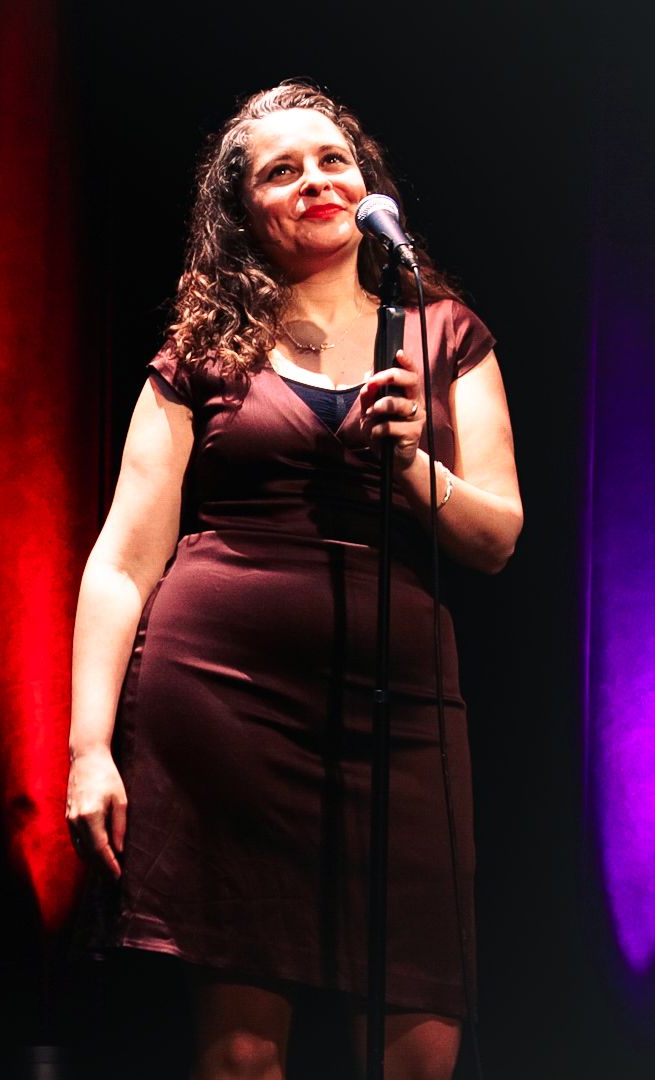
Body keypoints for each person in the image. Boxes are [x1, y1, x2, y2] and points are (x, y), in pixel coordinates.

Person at [64, 82, 522, 1080]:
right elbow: (125, 559)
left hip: (402, 718)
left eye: (331, 160)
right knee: (240, 1052)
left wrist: (411, 467)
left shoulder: (446, 335)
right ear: (243, 214)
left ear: (368, 187)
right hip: (223, 705)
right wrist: (88, 748)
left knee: (417, 1046)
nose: (315, 180)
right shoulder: (204, 353)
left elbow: (495, 539)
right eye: (282, 171)